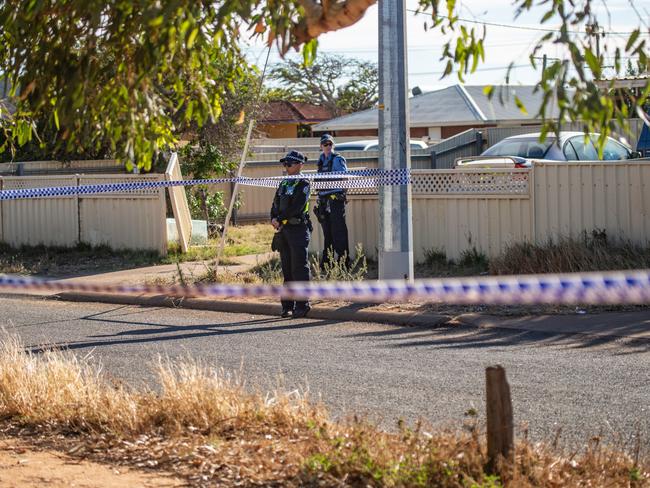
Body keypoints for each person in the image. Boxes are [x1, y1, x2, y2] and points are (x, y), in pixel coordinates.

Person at [270, 150, 312, 319]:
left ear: (300, 164)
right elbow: (275, 202)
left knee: (299, 268)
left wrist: (280, 218)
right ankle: (287, 305)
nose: (285, 166)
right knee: (287, 269)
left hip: (298, 230)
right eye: (284, 163)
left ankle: (302, 305)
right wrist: (273, 217)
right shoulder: (284, 183)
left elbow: (298, 206)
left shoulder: (303, 183)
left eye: (289, 163)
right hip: (284, 231)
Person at [314, 134, 350, 267]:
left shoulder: (338, 159)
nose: (328, 146)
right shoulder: (321, 160)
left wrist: (343, 195)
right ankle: (327, 263)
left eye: (330, 144)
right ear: (321, 146)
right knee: (327, 233)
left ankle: (343, 263)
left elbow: (344, 178)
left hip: (335, 201)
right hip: (323, 201)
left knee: (338, 232)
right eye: (325, 144)